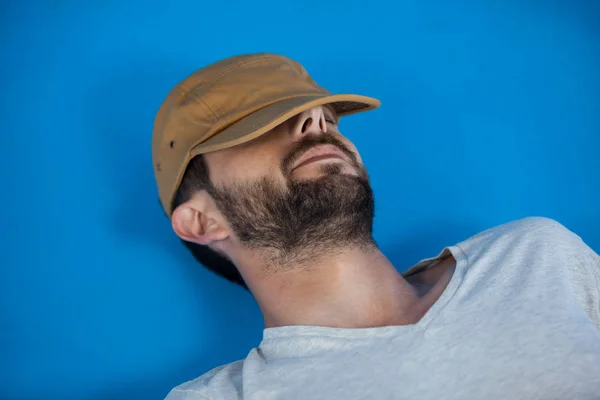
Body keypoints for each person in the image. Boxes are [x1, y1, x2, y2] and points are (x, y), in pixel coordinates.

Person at [152, 53, 600, 400]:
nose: (317, 121)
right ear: (200, 220)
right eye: (258, 125)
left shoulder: (534, 257)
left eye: (327, 116)